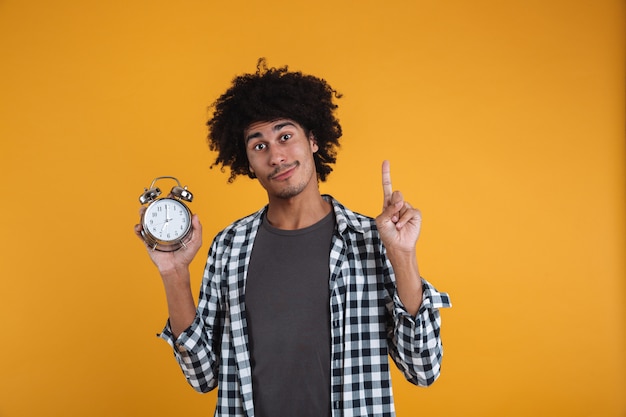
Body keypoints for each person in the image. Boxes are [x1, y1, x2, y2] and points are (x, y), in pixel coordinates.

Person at [136, 59, 451, 417]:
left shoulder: (373, 239)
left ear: (313, 140)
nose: (276, 156)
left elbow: (423, 369)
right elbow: (202, 376)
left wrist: (403, 255)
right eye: (259, 146)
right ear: (248, 164)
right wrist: (174, 274)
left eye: (285, 136)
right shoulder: (229, 246)